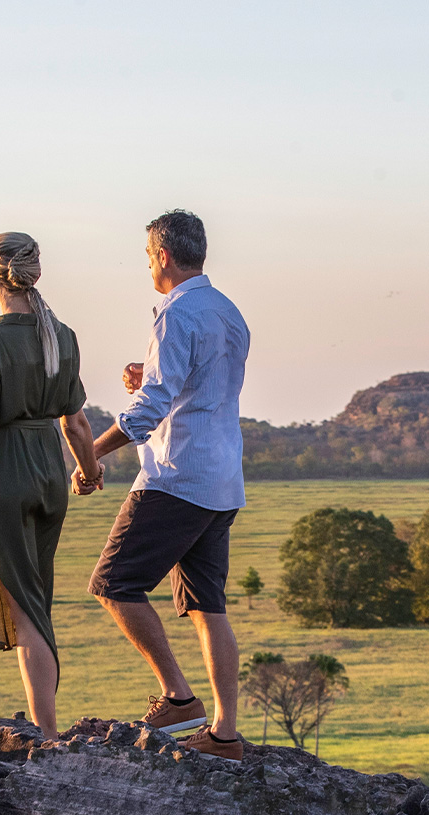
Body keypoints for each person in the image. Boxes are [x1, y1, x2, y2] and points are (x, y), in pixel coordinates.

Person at [87, 210, 250, 761]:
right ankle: (225, 735)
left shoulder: (176, 313)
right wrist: (148, 374)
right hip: (223, 477)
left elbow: (155, 404)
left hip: (176, 476)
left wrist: (92, 450)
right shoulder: (229, 313)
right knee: (208, 604)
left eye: (147, 256)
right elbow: (194, 384)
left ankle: (179, 697)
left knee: (114, 583)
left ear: (160, 255)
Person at [0, 231, 102, 736]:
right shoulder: (65, 335)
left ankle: (48, 734)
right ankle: (46, 724)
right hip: (50, 476)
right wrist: (89, 470)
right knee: (37, 597)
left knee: (28, 608)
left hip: (8, 476)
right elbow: (76, 424)